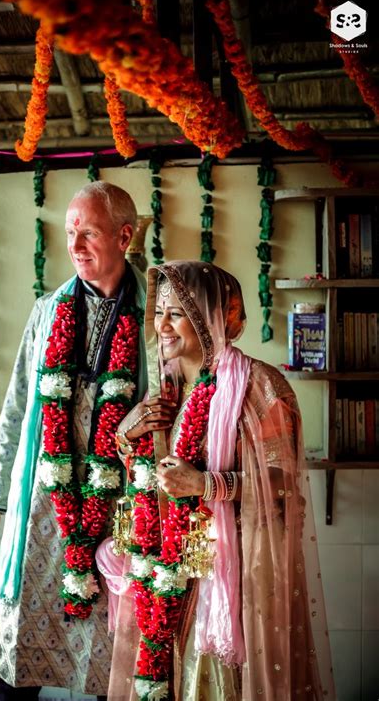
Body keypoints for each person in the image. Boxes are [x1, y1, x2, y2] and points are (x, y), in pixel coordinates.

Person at [97, 260, 335, 701]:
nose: (161, 326)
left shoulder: (259, 388)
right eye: (159, 311)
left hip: (230, 574)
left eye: (175, 313)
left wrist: (206, 485)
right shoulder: (163, 391)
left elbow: (282, 486)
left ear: (208, 318)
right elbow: (148, 482)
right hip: (165, 568)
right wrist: (127, 436)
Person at [0, 181, 147, 700]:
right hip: (41, 503)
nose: (75, 244)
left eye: (88, 232)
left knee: (111, 647)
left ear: (124, 235)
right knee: (14, 646)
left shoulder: (155, 314)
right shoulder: (48, 310)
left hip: (116, 505)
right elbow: (16, 406)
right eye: (70, 232)